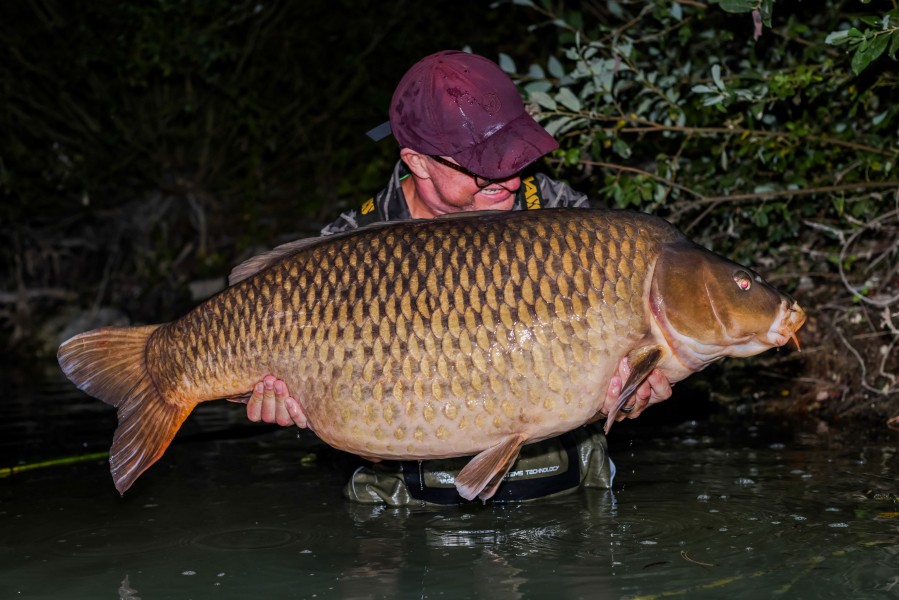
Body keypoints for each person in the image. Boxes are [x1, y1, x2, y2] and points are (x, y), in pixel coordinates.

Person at [242, 50, 673, 505]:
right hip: (406, 522)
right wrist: (298, 403)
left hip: (564, 500)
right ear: (419, 162)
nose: (507, 180)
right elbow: (340, 413)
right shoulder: (347, 248)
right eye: (481, 164)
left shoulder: (567, 220)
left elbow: (617, 365)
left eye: (512, 153)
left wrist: (632, 391)